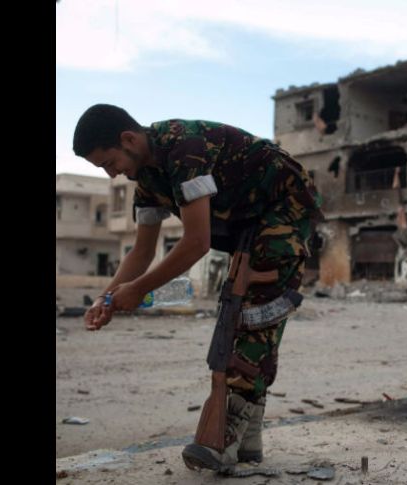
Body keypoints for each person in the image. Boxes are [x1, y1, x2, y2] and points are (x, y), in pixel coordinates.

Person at [73, 104, 323, 471]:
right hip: (244, 218)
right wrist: (106, 297)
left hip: (284, 204)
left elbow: (196, 242)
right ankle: (247, 439)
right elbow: (141, 252)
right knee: (237, 310)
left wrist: (140, 290)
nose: (113, 173)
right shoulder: (146, 180)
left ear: (128, 139)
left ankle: (227, 435)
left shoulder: (183, 150)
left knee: (255, 313)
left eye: (110, 162)